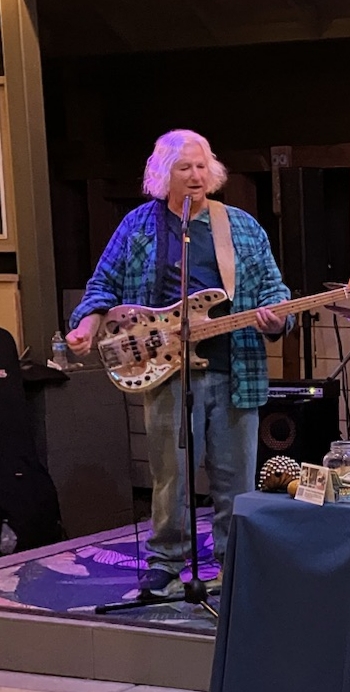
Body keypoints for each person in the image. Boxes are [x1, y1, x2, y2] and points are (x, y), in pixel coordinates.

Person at [67, 129, 294, 597]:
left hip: (235, 369)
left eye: (201, 166)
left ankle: (235, 561)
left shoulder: (240, 227)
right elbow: (103, 284)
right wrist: (86, 326)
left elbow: (274, 291)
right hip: (166, 370)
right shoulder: (138, 226)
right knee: (171, 475)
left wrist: (276, 320)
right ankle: (167, 559)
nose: (194, 175)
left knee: (236, 478)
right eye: (184, 167)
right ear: (162, 174)